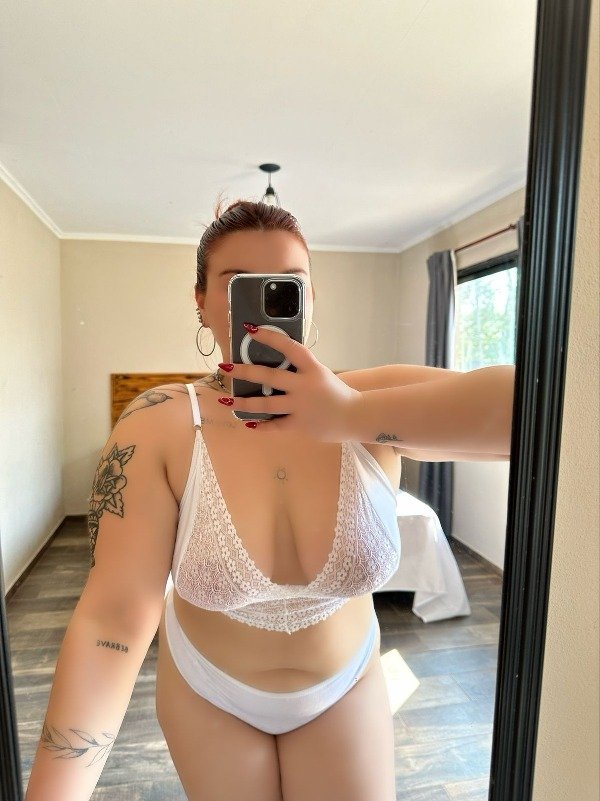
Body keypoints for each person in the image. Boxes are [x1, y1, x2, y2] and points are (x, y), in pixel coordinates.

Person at [24, 200, 514, 801]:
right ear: (202, 302)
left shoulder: (371, 399)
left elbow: (534, 413)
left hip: (347, 683)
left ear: (311, 299)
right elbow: (114, 619)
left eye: (289, 286)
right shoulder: (160, 423)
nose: (267, 308)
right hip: (211, 692)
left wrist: (350, 414)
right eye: (239, 286)